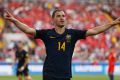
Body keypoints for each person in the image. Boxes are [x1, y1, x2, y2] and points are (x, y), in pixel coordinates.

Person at [4, 9, 120, 80]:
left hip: (65, 74)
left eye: (63, 16)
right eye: (58, 16)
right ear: (53, 20)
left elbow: (94, 31)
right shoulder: (47, 33)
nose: (62, 18)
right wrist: (14, 20)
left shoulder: (73, 33)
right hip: (49, 74)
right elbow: (28, 30)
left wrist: (112, 23)